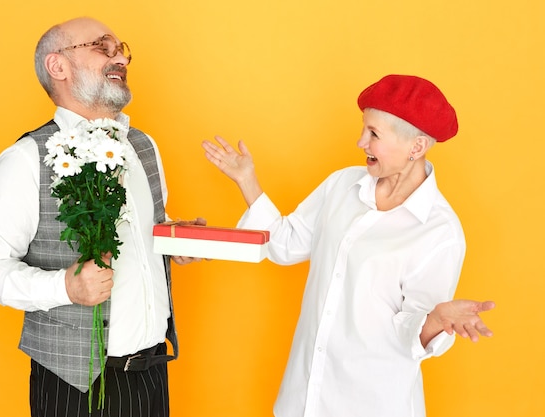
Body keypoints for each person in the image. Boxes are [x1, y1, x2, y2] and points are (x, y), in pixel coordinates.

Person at [202, 74, 495, 417]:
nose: (360, 142)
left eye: (373, 134)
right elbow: (285, 244)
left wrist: (433, 320)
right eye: (363, 129)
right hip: (303, 398)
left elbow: (408, 331)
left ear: (416, 147)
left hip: (371, 404)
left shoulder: (439, 230)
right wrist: (247, 181)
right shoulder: (341, 185)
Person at [0, 16, 202, 417]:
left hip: (152, 375)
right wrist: (65, 287)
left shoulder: (143, 146)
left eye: (120, 48)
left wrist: (173, 238)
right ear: (57, 66)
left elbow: (143, 232)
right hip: (74, 384)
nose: (120, 58)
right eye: (101, 47)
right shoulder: (25, 159)